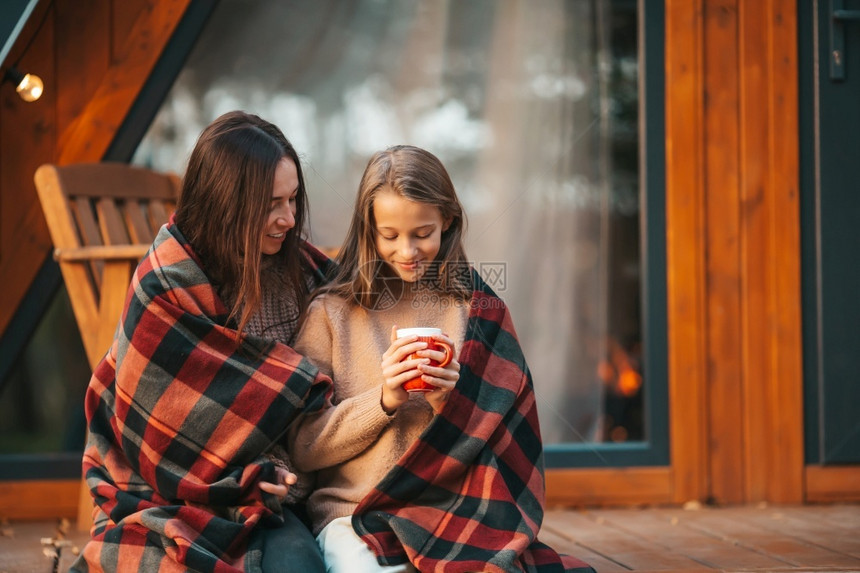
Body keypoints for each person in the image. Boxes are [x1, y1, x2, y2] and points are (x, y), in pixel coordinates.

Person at [288, 145, 595, 572]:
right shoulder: (331, 313)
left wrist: (448, 403)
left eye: (423, 232)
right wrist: (385, 400)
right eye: (389, 235)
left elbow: (506, 446)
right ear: (367, 229)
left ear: (447, 221)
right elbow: (303, 447)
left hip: (458, 513)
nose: (408, 251)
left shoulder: (476, 307)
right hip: (356, 516)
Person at [71, 111, 334, 572]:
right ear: (226, 203)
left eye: (293, 200)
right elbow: (161, 436)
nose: (289, 219)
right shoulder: (167, 287)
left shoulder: (298, 269)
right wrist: (242, 481)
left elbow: (362, 298)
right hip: (179, 489)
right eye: (272, 204)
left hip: (296, 477)